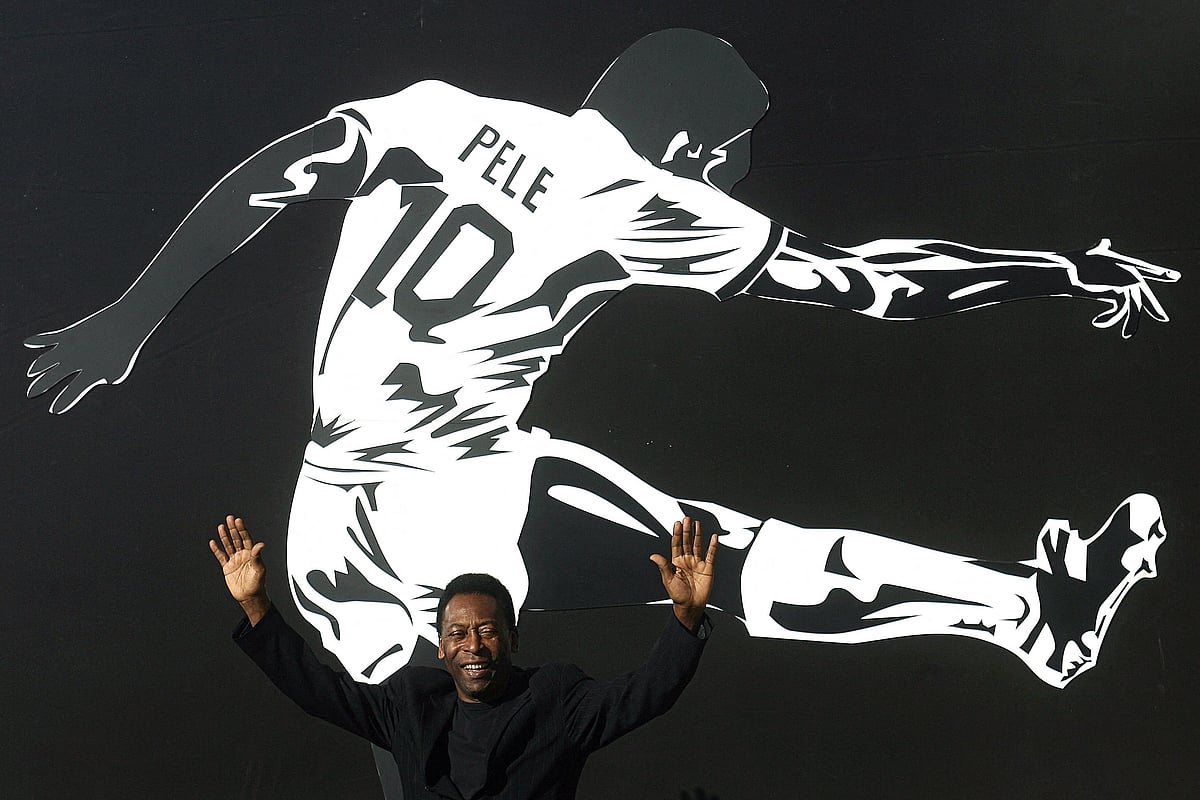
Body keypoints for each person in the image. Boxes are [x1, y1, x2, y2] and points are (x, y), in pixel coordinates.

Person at [28, 29, 1175, 688]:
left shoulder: (439, 111)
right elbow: (878, 283)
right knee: (733, 560)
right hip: (458, 492)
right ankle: (1030, 613)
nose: (723, 180)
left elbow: (277, 174)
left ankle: (1030, 610)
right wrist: (1061, 269)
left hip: (325, 512)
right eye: (724, 157)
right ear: (683, 142)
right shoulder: (642, 194)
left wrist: (134, 315)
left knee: (410, 733)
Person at [210, 514, 716, 800]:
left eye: (487, 631)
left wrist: (687, 616)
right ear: (441, 646)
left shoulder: (556, 701)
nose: (473, 645)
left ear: (513, 638)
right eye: (458, 634)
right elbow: (319, 691)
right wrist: (257, 606)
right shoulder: (410, 705)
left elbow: (645, 693)